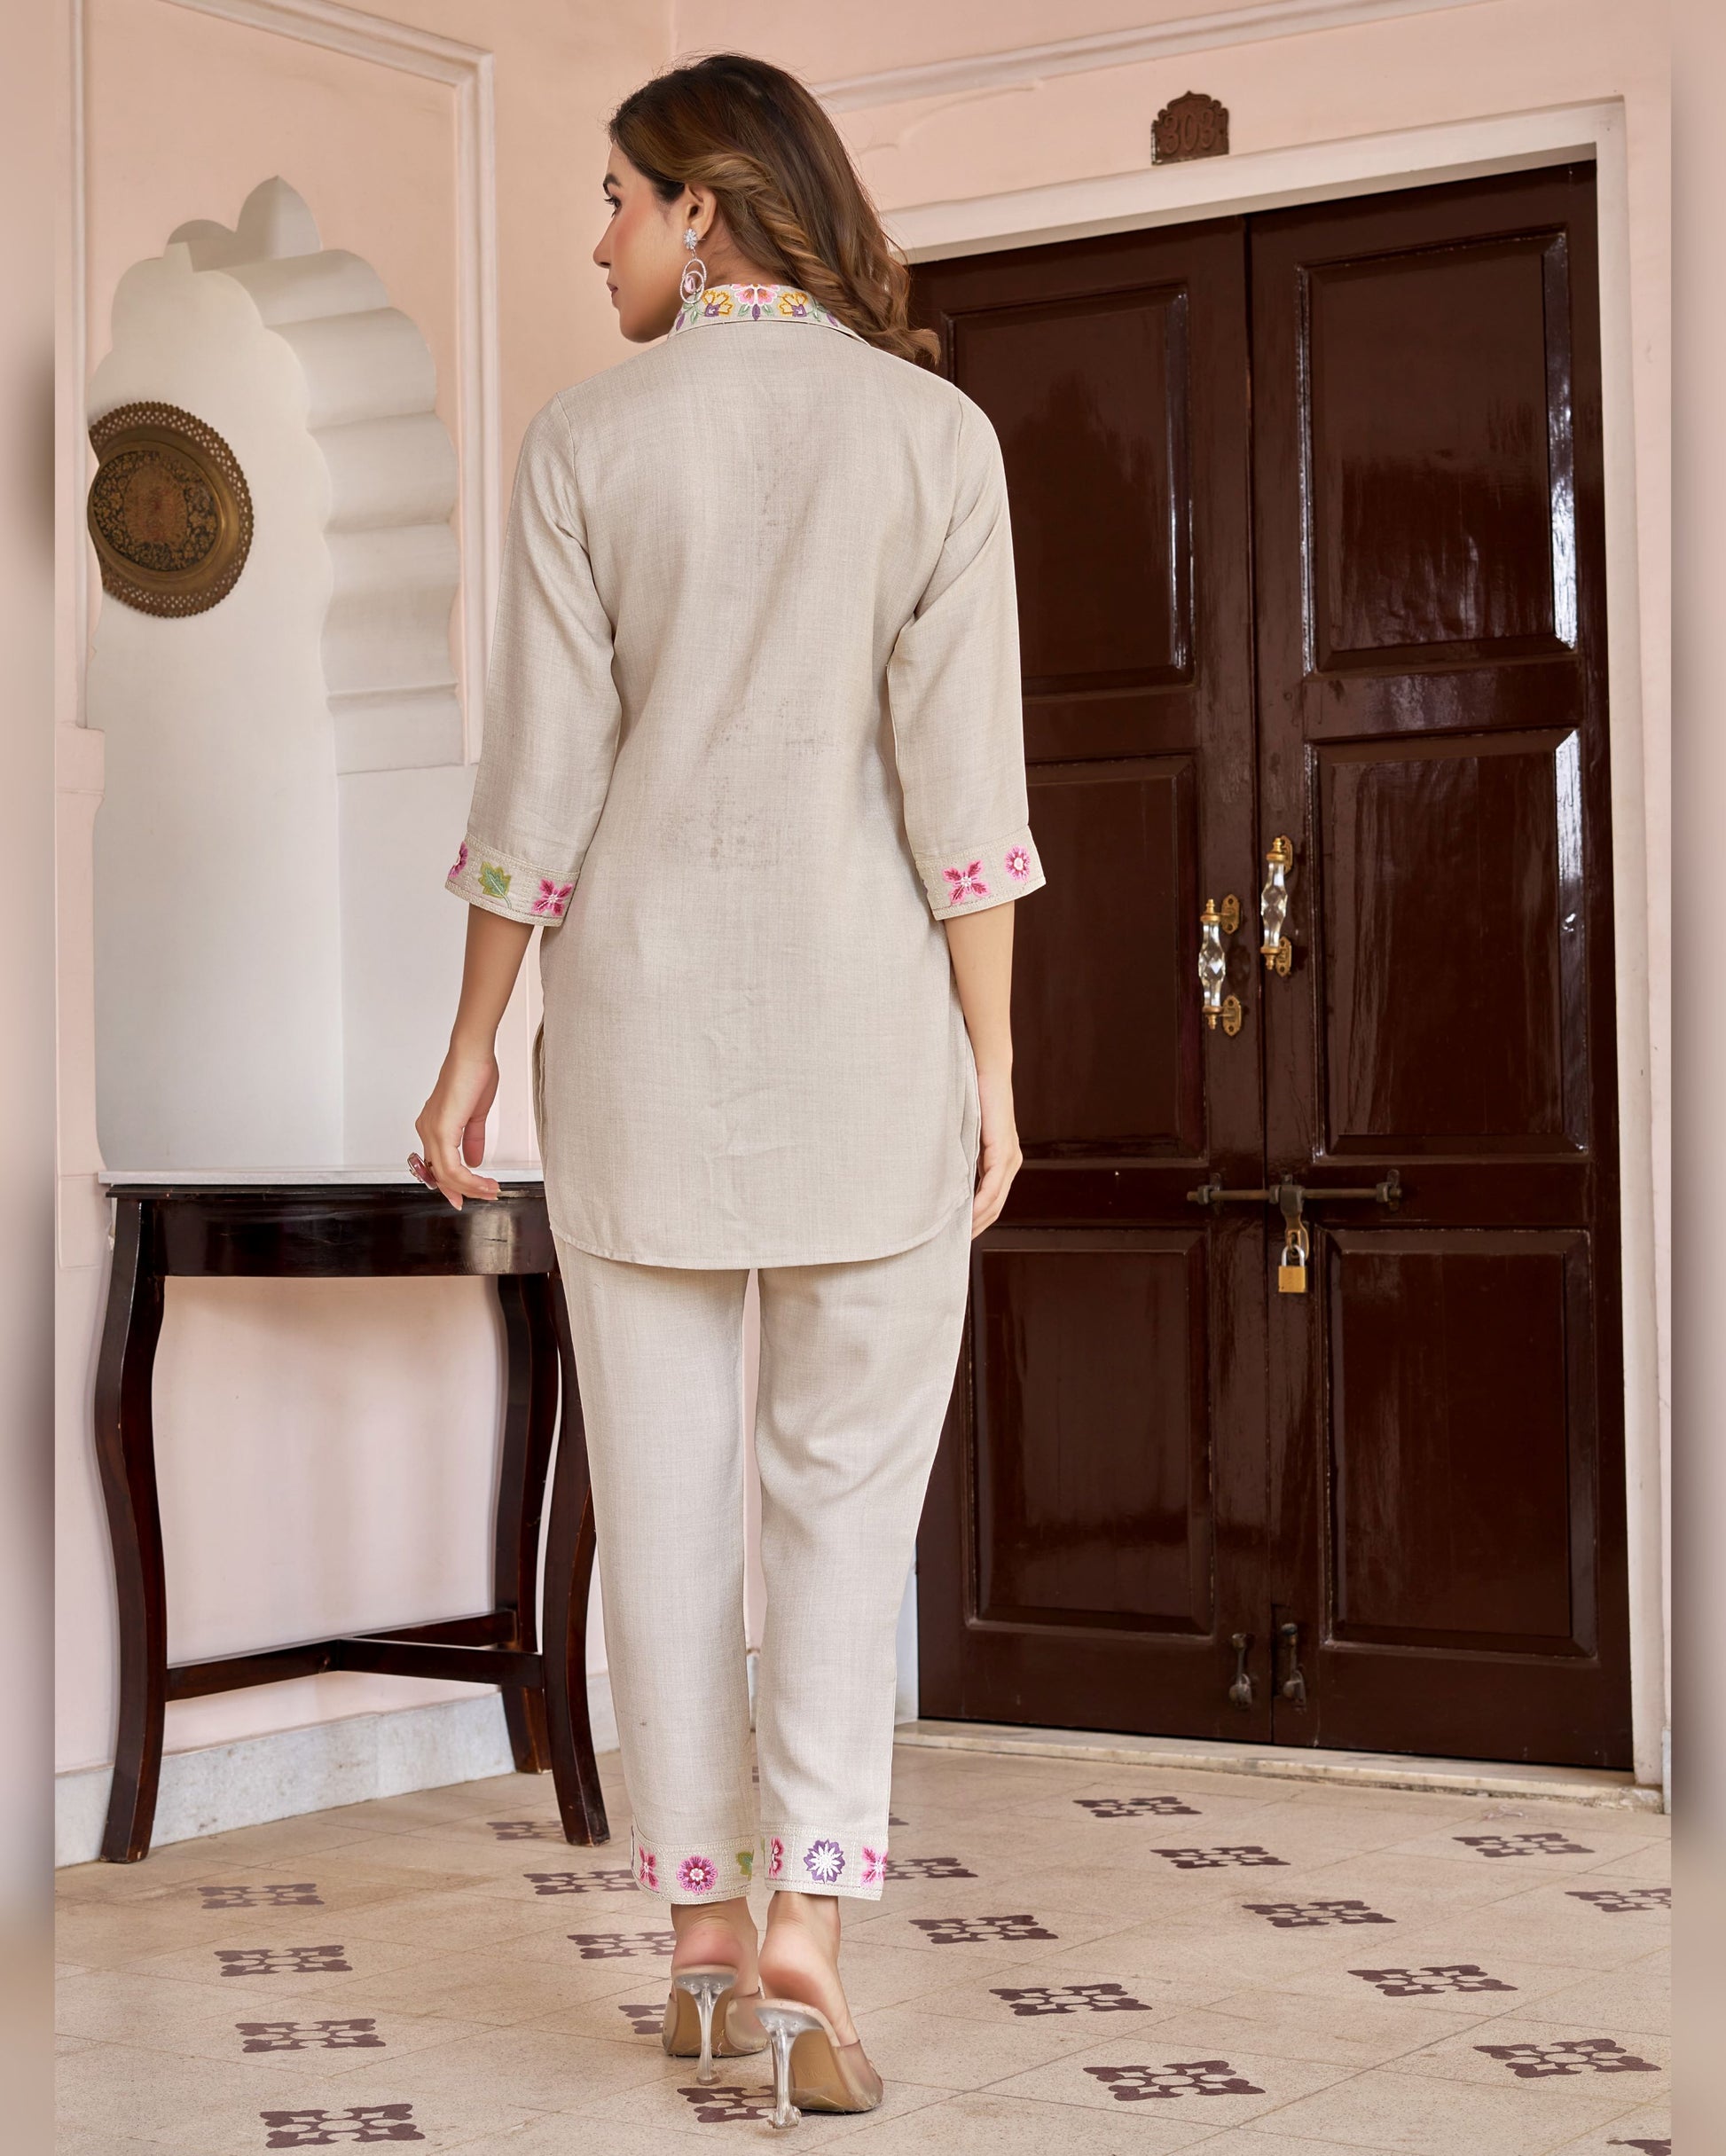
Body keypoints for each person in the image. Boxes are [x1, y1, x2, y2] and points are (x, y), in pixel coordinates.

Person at [412, 51, 1046, 2127]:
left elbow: (539, 798)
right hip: (873, 1052)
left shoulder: (588, 442)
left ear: (705, 209)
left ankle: (694, 1941)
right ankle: (808, 1943)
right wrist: (995, 1063)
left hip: (641, 1060)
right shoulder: (932, 437)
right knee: (844, 1523)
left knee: (664, 1517)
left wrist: (473, 1041)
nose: (593, 237)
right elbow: (966, 808)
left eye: (612, 198)